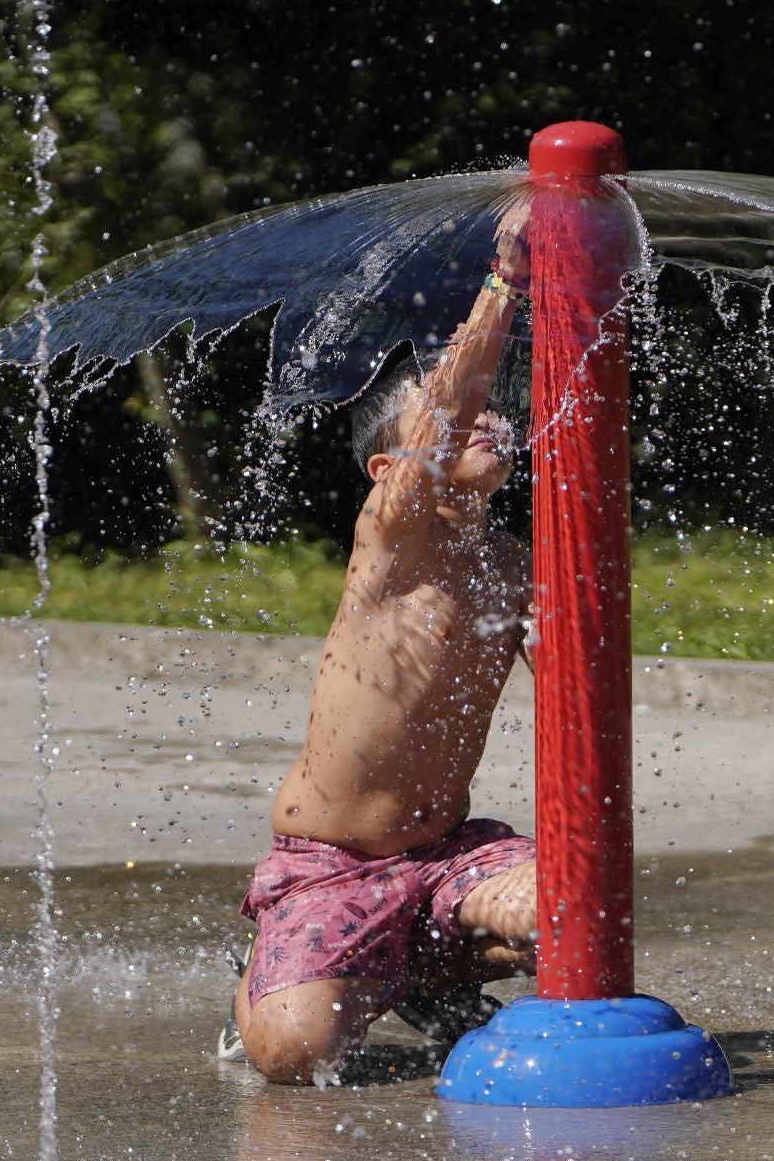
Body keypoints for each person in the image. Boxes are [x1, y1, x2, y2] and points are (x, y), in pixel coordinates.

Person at [224, 202, 538, 1084]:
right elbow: (444, 411)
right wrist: (505, 282)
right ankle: (272, 977)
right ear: (388, 473)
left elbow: (573, 699)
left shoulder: (514, 565)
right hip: (334, 862)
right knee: (297, 1056)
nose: (487, 418)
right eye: (454, 417)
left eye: (493, 412)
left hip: (444, 856)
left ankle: (422, 965)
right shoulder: (391, 543)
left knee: (581, 912)